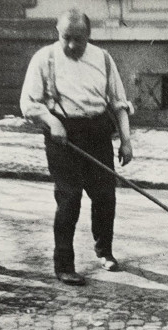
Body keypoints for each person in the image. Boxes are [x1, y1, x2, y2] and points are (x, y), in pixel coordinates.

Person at [20, 9, 133, 286]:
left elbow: (118, 102)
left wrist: (126, 140)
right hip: (63, 136)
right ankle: (64, 265)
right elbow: (28, 104)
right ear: (58, 34)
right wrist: (51, 121)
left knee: (105, 196)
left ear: (89, 35)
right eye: (65, 38)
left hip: (97, 133)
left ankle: (104, 251)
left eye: (78, 39)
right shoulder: (44, 59)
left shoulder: (103, 59)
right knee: (69, 199)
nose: (71, 45)